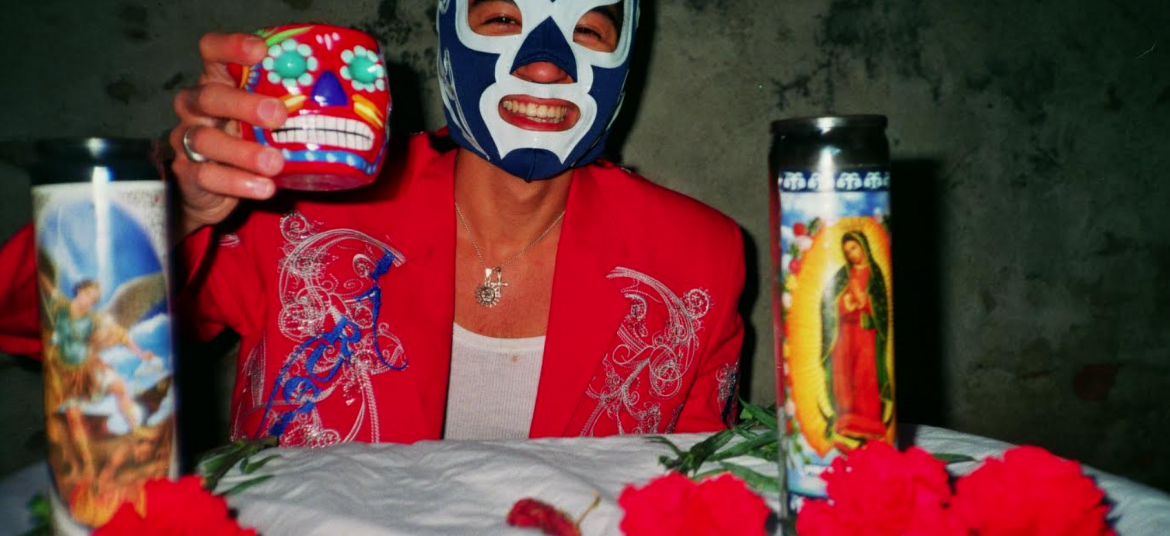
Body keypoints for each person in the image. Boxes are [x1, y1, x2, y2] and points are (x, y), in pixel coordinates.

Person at [167, 0, 746, 446]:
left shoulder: (698, 259)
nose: (546, 65)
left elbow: (695, 494)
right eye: (503, 19)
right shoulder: (293, 207)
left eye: (588, 30)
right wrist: (177, 212)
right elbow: (122, 351)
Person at [820, 231, 892, 443]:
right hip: (844, 334)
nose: (852, 254)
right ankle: (845, 422)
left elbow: (881, 308)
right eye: (847, 251)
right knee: (844, 377)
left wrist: (864, 303)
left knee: (864, 377)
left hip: (865, 334)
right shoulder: (844, 274)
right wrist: (844, 305)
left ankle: (868, 425)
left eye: (854, 248)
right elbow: (829, 301)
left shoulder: (875, 275)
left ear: (863, 246)